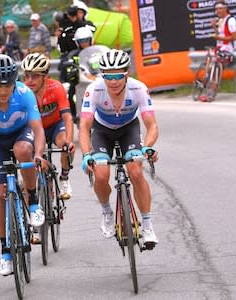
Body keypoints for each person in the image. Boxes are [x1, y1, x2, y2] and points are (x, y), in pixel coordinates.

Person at [0, 54, 47, 275]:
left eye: (8, 86)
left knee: (23, 150)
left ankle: (32, 200)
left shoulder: (24, 94)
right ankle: (5, 252)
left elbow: (38, 129)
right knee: (1, 193)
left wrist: (39, 154)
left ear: (15, 82)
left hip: (22, 134)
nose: (3, 91)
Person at [79, 49, 159, 248]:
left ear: (127, 74)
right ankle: (107, 212)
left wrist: (146, 148)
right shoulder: (94, 89)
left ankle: (147, 226)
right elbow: (84, 126)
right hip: (101, 131)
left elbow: (152, 125)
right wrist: (86, 154)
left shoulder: (139, 88)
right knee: (102, 173)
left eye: (117, 76)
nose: (113, 81)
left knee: (135, 170)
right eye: (108, 76)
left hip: (128, 129)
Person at [21, 53, 75, 201]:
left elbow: (67, 117)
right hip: (34, 129)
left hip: (54, 126)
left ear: (45, 75)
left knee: (65, 145)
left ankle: (64, 178)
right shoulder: (23, 91)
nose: (29, 81)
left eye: (35, 76)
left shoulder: (56, 87)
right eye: (27, 76)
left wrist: (69, 141)